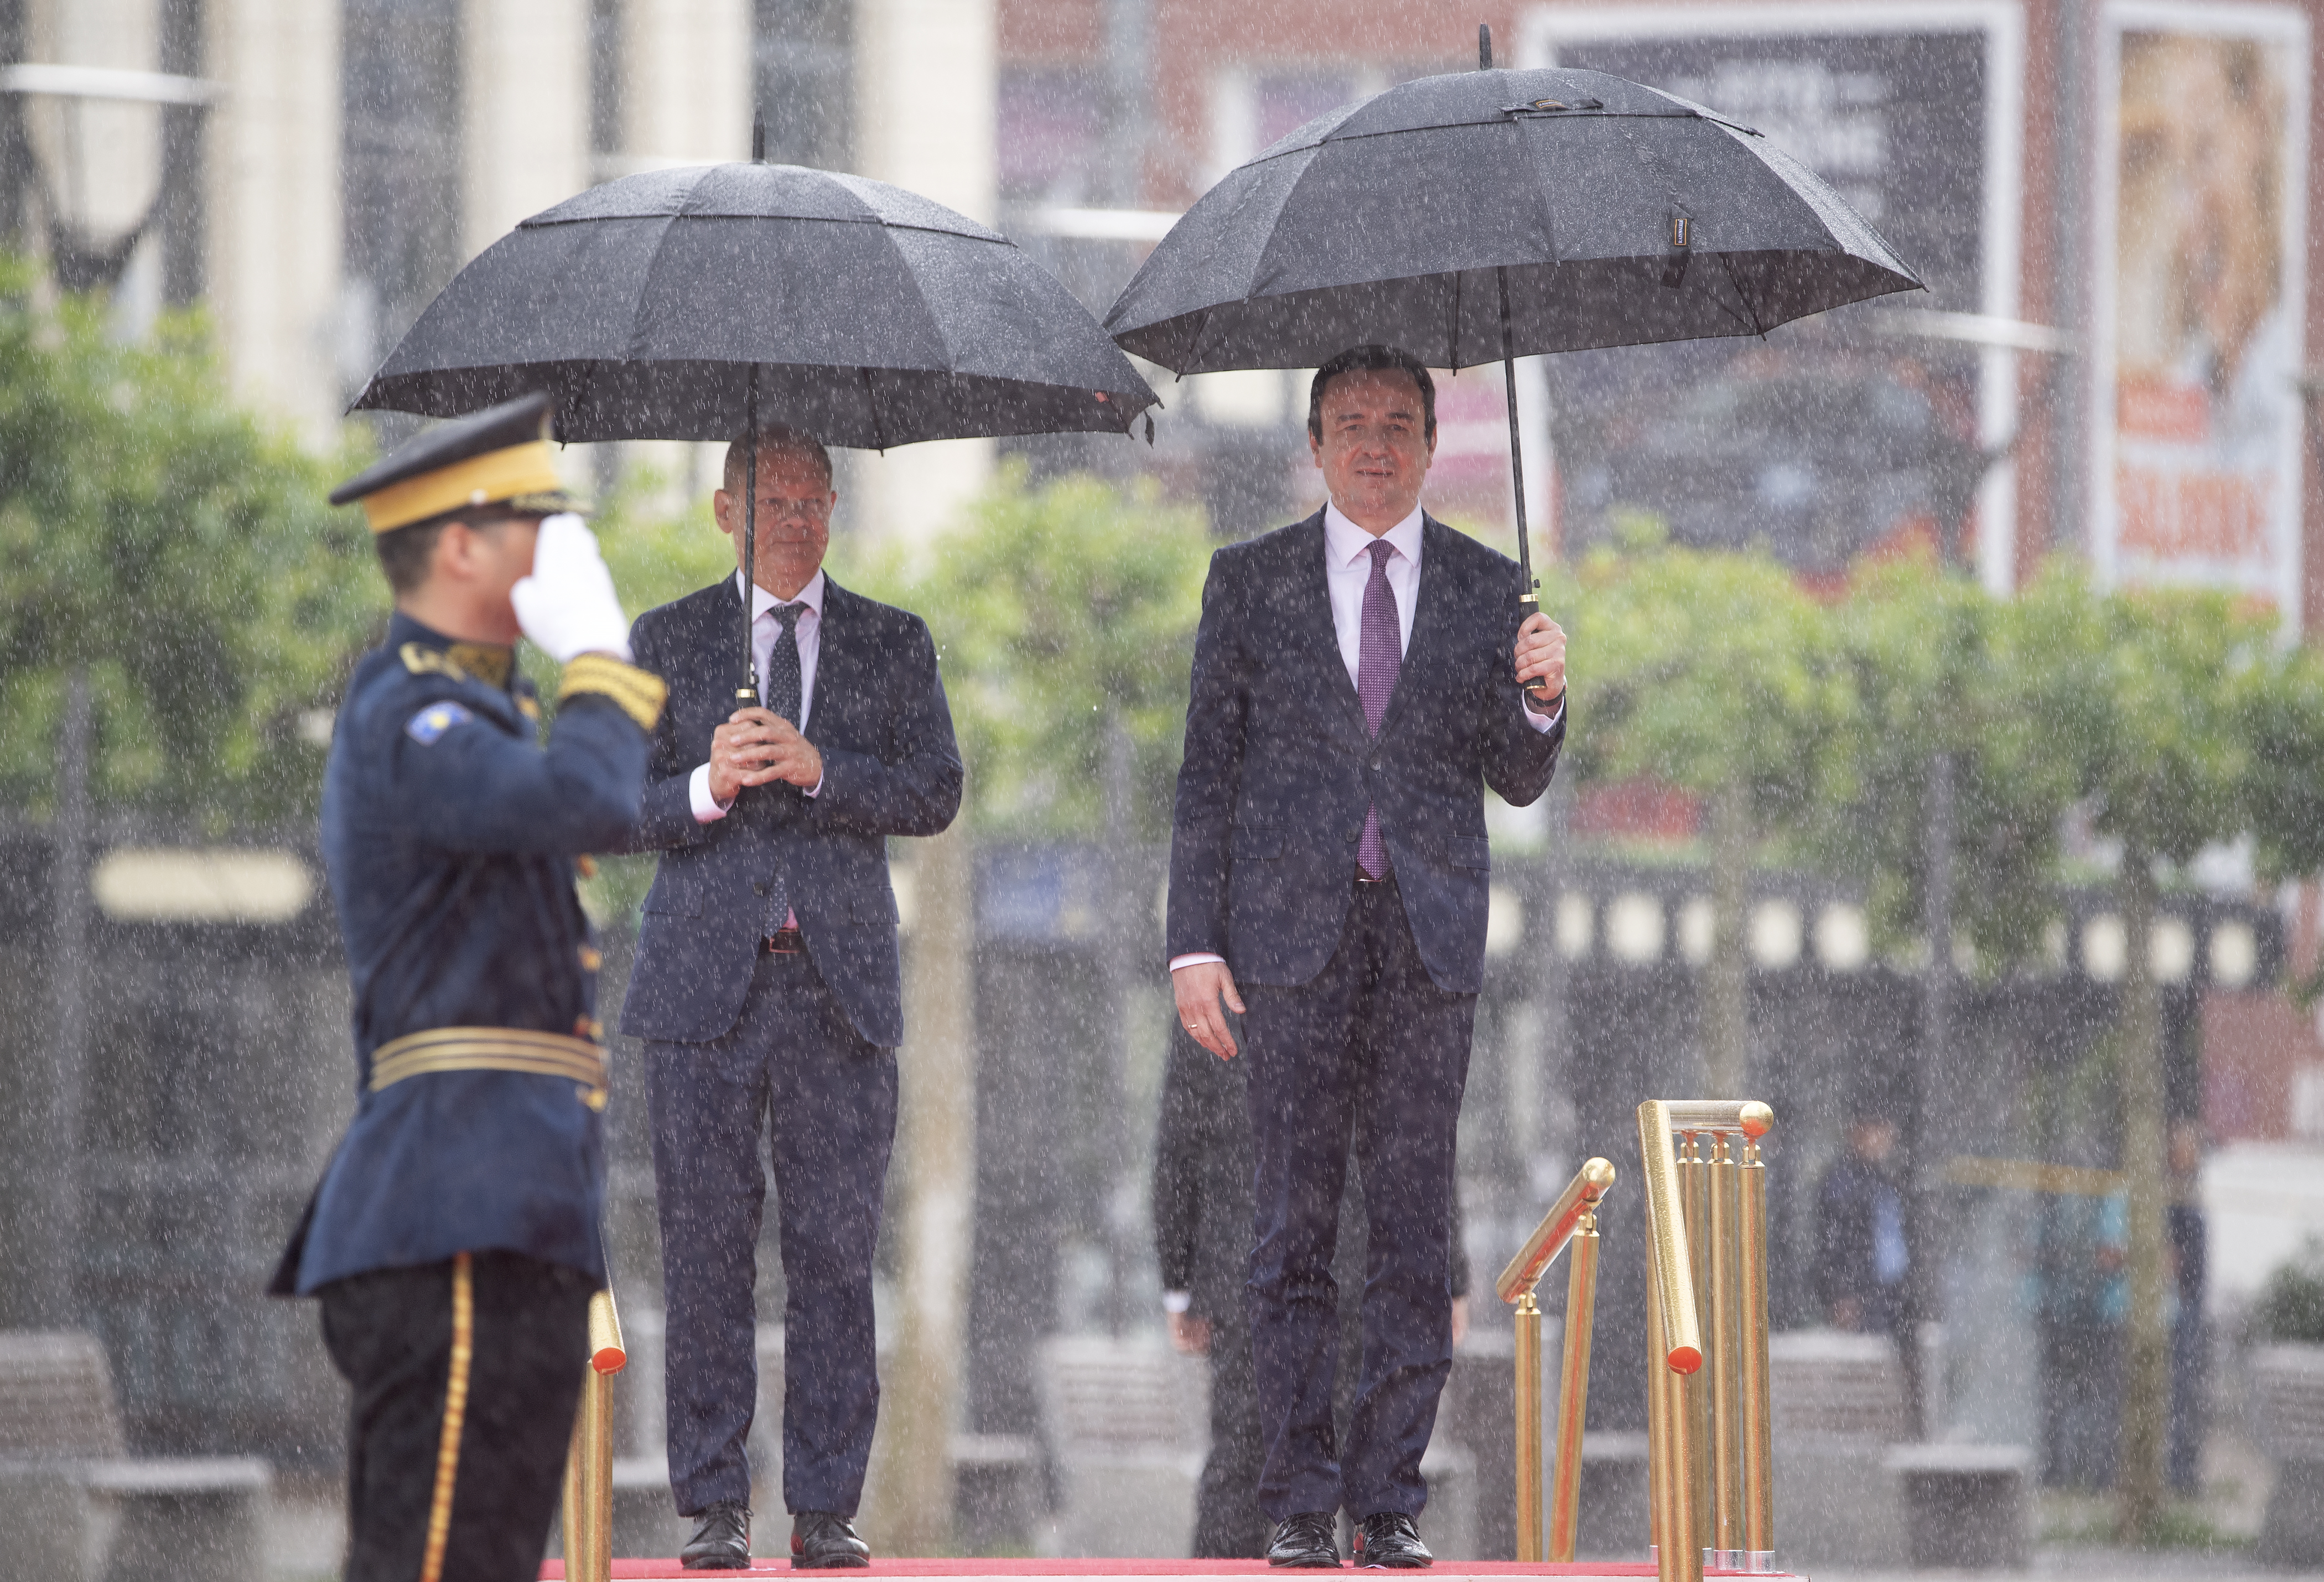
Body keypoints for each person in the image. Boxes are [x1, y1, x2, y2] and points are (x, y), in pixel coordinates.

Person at [1168, 345, 1566, 1569]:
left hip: (1427, 942)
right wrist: (1193, 942)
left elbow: (1514, 771)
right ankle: (1297, 1499)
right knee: (1289, 1228)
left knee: (1408, 1222)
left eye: (1400, 422)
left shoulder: (1493, 590)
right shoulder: (1250, 583)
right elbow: (1205, 782)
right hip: (1287, 945)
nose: (1377, 443)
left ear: (1435, 444)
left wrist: (1544, 697)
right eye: (1352, 423)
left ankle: (1388, 1500)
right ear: (1315, 442)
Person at [269, 391, 666, 1582]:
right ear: (458, 546)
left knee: (483, 1556)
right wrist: (602, 656)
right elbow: (588, 800)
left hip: (505, 1206)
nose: (559, 545)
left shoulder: (483, 711)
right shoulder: (412, 713)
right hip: (452, 1210)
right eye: (535, 520)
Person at [618, 427, 963, 1569]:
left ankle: (824, 1505)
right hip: (702, 992)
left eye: (818, 502)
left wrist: (824, 769)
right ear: (727, 513)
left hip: (838, 989)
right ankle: (714, 1502)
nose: (800, 523)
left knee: (834, 1252)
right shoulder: (666, 639)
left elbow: (936, 791)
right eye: (776, 504)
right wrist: (707, 784)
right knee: (707, 1249)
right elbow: (617, 806)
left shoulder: (891, 640)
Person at [1152, 1026, 1471, 1559]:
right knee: (1371, 1467)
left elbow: (1178, 1146)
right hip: (1364, 1260)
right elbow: (1424, 1138)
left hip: (1251, 1263)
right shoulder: (1370, 971)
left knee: (1243, 1454)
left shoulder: (1222, 988)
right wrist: (1449, 1271)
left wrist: (1180, 1282)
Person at [1812, 1108, 1911, 1340]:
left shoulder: (1885, 1178)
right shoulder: (1841, 1183)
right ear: (1857, 1133)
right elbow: (1833, 1243)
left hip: (1891, 1293)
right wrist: (1841, 1293)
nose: (1885, 1140)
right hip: (1863, 1295)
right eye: (1878, 1131)